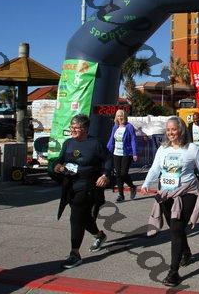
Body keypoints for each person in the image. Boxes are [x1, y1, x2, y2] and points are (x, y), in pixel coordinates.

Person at [141, 116, 199, 287]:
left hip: (187, 193)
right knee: (175, 228)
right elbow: (155, 168)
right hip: (166, 194)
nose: (170, 133)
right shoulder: (163, 149)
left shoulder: (192, 149)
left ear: (181, 130)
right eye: (168, 130)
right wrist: (146, 183)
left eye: (173, 129)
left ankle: (173, 273)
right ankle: (186, 252)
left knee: (177, 228)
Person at [53, 114, 111, 269]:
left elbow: (108, 159)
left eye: (76, 127)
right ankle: (99, 235)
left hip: (88, 187)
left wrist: (105, 175)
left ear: (85, 129)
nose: (72, 130)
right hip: (70, 186)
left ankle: (75, 253)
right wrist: (58, 167)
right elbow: (59, 160)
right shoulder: (68, 143)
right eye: (71, 127)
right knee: (84, 218)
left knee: (76, 217)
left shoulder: (95, 143)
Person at [106, 109, 138, 202]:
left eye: (121, 116)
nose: (120, 118)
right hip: (116, 153)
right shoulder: (115, 126)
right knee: (118, 175)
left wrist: (135, 153)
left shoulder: (129, 127)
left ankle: (132, 187)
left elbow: (133, 140)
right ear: (116, 117)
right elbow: (111, 139)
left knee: (123, 173)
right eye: (118, 116)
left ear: (124, 117)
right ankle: (121, 195)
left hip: (127, 153)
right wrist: (107, 151)